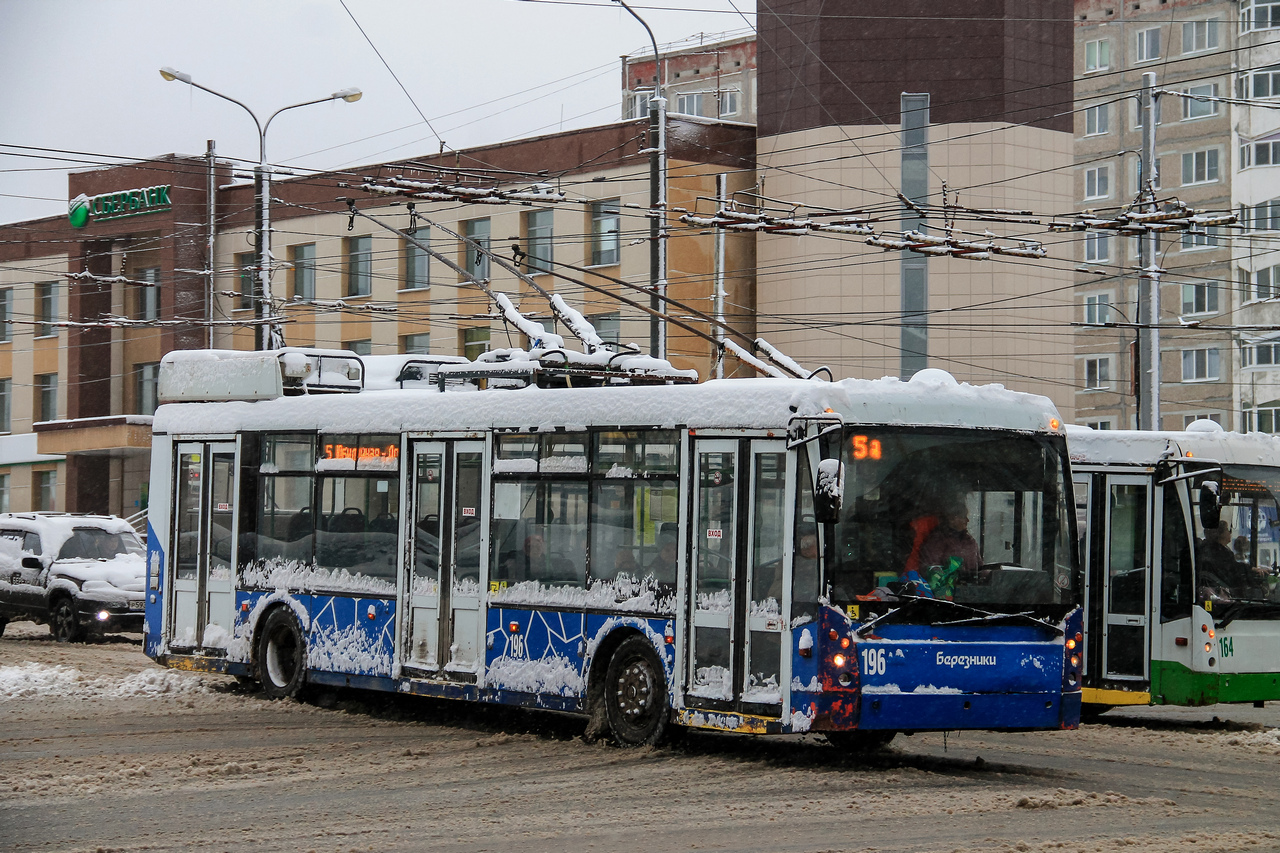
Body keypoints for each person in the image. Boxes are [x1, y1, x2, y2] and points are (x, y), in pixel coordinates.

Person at [918, 499, 982, 582]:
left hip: (972, 590)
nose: (967, 520)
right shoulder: (937, 540)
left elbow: (979, 567)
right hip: (946, 591)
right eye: (963, 517)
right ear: (952, 519)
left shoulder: (970, 541)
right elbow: (930, 569)